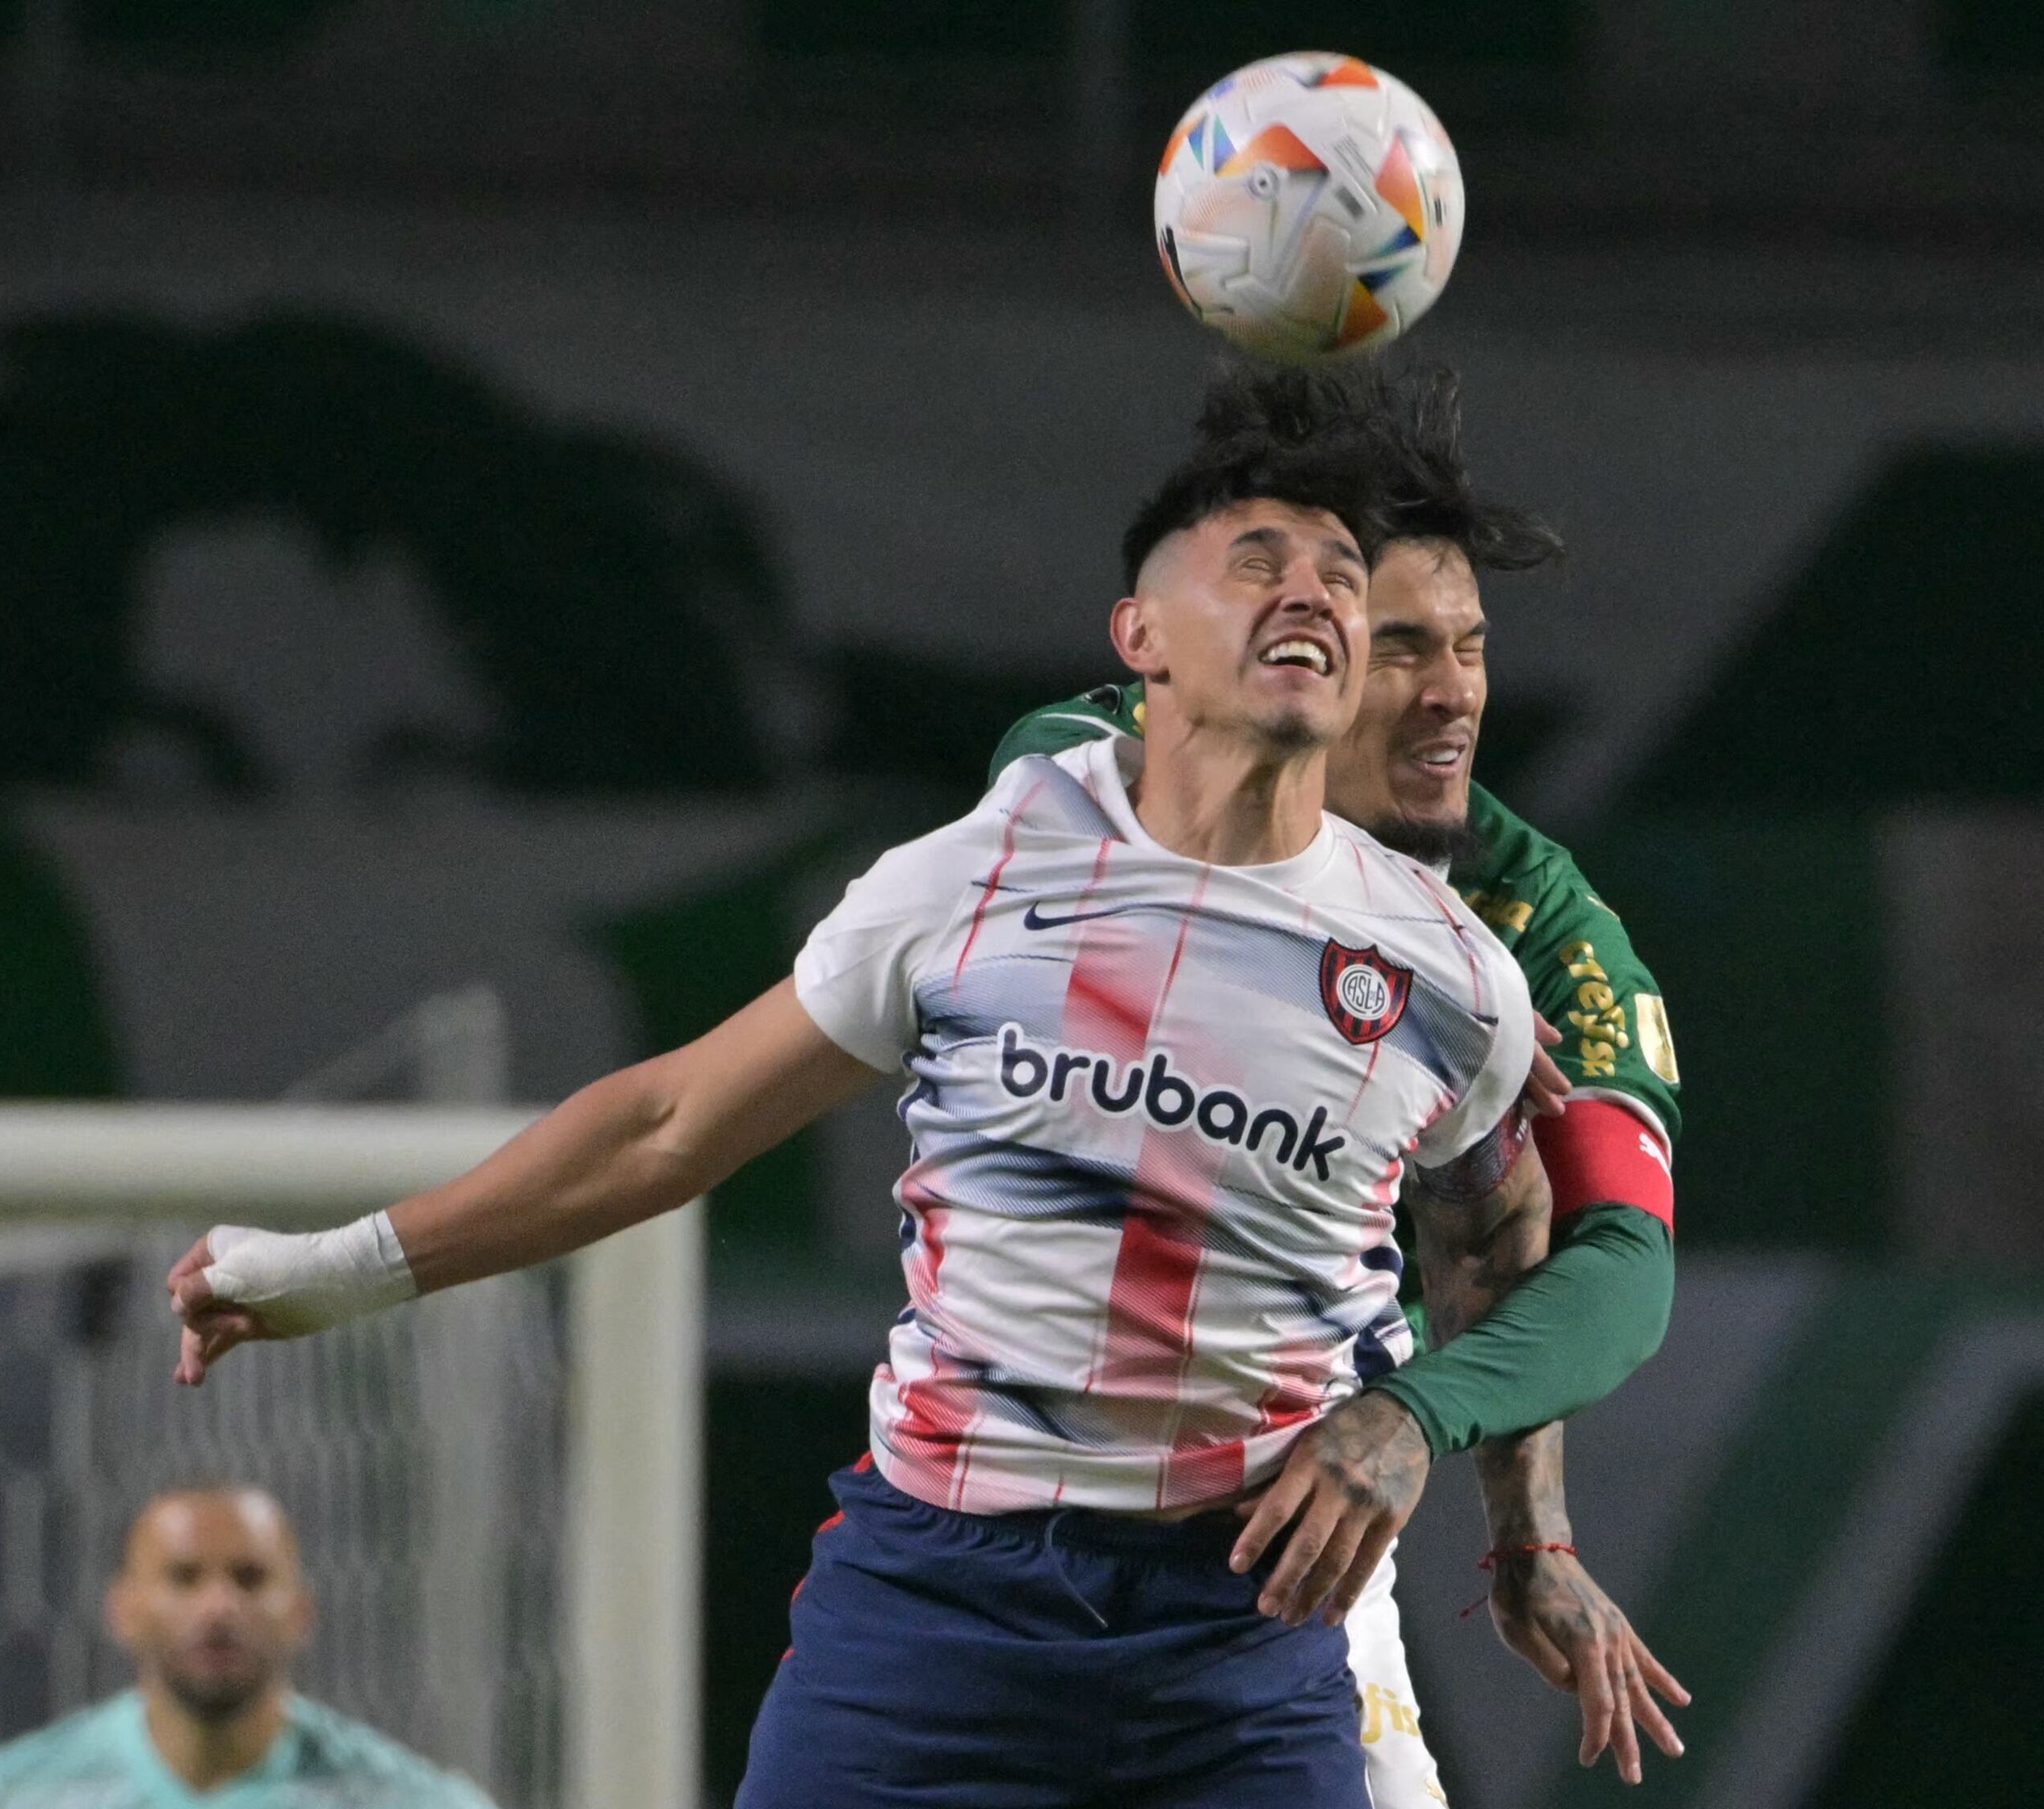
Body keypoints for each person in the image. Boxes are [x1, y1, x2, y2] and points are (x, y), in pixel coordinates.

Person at [168, 397, 1661, 1807]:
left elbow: (1516, 1240)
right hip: (946, 1591)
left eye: (1345, 581)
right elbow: (671, 1123)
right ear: (1137, 637)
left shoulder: (1461, 971)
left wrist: (1489, 1492)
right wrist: (335, 1268)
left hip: (1249, 1612)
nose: (1317, 599)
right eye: (1259, 563)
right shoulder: (986, 865)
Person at [988, 363, 1691, 1795]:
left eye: (1472, 649)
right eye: (1405, 648)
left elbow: (1615, 1260)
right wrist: (1361, 948)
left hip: (1275, 1541)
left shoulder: (1534, 932)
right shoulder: (1116, 772)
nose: (1453, 698)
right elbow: (1036, 777)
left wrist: (1510, 1512)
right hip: (1007, 1504)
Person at [0, 1483, 493, 1809]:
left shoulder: (407, 1801)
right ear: (123, 1611)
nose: (219, 1606)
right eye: (184, 1578)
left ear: (301, 1612)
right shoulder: (12, 1797)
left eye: (249, 1577)